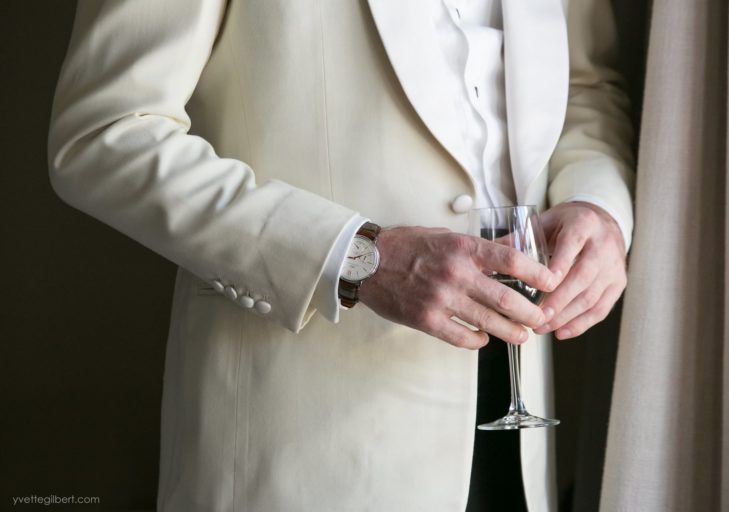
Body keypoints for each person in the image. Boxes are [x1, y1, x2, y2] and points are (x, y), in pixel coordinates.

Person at [48, 0, 634, 510]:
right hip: (302, 431)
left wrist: (599, 206)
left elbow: (587, 85)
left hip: (520, 416)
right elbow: (105, 133)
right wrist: (359, 257)